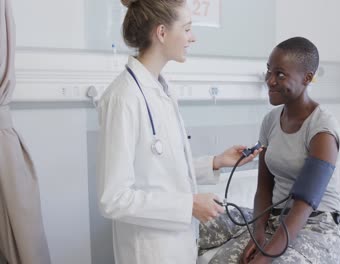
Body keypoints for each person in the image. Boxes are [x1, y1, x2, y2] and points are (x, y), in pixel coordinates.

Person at [96, 0, 260, 263]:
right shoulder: (123, 98)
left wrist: (215, 162)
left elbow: (159, 170)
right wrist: (190, 205)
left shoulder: (162, 89)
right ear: (161, 33)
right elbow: (114, 198)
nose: (192, 38)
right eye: (186, 29)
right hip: (148, 252)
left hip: (178, 245)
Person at [207, 37, 340, 264]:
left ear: (307, 78)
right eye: (268, 71)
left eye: (280, 74)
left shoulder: (322, 129)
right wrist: (258, 232)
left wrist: (267, 255)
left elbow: (304, 203)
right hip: (276, 219)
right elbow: (264, 187)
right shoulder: (270, 121)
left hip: (318, 224)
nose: (270, 81)